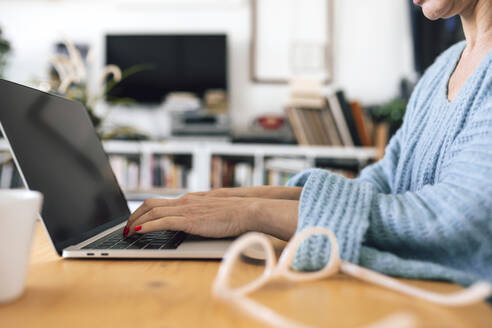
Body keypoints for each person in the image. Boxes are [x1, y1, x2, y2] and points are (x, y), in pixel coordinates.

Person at [125, 0, 492, 287]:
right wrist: (237, 199)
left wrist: (250, 214)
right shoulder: (442, 69)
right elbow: (380, 185)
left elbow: (456, 219)